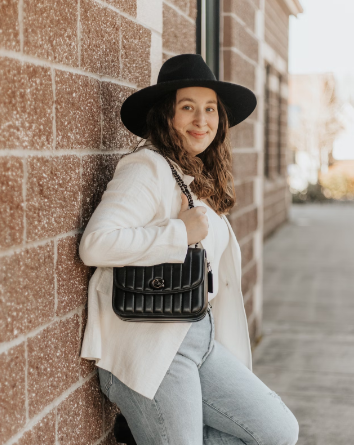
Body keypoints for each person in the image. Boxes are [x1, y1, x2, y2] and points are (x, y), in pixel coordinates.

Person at [79, 54, 299, 445]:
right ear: (166, 114)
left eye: (210, 109)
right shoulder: (146, 168)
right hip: (151, 345)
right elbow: (96, 244)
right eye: (188, 108)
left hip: (200, 337)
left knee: (278, 431)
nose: (202, 120)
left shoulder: (193, 173)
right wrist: (178, 231)